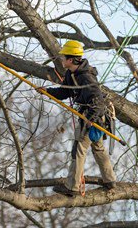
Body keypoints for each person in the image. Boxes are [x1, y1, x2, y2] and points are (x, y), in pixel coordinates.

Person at [38, 40, 116, 196]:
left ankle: (72, 186)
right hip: (91, 116)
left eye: (63, 57)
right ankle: (110, 180)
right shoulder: (71, 74)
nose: (61, 60)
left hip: (93, 116)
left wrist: (91, 118)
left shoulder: (86, 77)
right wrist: (47, 91)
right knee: (98, 148)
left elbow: (98, 101)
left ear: (71, 59)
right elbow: (64, 92)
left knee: (79, 149)